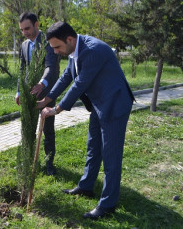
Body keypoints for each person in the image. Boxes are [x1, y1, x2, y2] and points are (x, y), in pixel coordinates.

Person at [37, 21, 135, 219]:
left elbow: (79, 84)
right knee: (93, 147)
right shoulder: (75, 50)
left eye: (57, 47)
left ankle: (107, 205)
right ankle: (86, 186)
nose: (55, 52)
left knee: (111, 156)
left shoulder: (93, 50)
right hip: (99, 104)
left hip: (114, 104)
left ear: (69, 39)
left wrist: (56, 109)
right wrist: (46, 99)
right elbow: (66, 77)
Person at [16, 12, 60, 175]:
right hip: (29, 93)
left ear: (36, 24)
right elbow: (22, 69)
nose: (25, 32)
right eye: (22, 30)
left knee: (48, 130)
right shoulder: (24, 45)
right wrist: (19, 91)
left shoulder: (49, 43)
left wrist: (42, 83)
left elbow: (51, 67)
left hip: (46, 92)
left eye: (27, 28)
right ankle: (29, 161)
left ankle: (49, 164)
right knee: (28, 128)